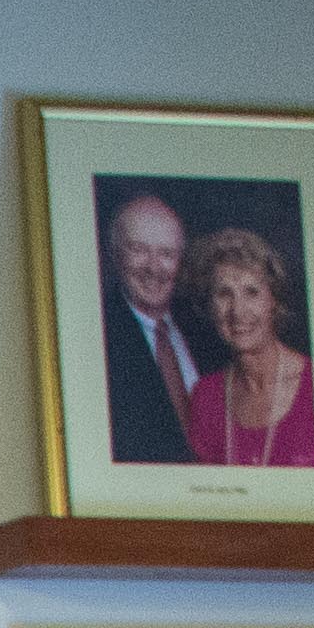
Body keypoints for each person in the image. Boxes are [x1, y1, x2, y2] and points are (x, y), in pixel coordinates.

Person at [179, 223, 314, 469]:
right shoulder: (206, 397)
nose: (238, 310)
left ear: (273, 300)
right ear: (209, 305)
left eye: (251, 292)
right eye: (224, 294)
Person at [98, 189, 207, 464]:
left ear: (181, 261)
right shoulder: (98, 336)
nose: (153, 267)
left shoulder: (209, 329)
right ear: (115, 253)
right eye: (138, 249)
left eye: (167, 253)